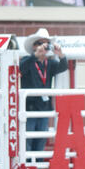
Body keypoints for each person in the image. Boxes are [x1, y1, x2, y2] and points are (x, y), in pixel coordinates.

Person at [20, 28, 68, 156]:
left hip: (44, 108)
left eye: (46, 43)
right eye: (40, 43)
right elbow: (20, 69)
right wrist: (35, 55)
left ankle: (38, 166)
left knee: (41, 139)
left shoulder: (50, 63)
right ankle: (28, 167)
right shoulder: (27, 60)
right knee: (27, 139)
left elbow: (63, 66)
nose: (44, 46)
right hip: (29, 108)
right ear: (34, 46)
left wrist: (60, 54)